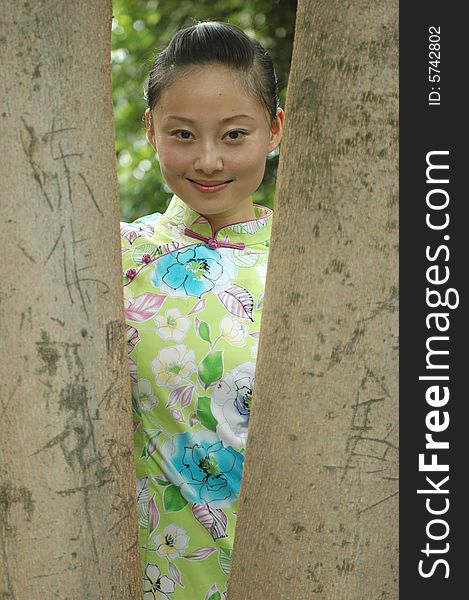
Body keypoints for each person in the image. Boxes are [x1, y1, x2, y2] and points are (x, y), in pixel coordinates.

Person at [120, 21, 284, 599]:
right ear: (151, 131)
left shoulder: (310, 267)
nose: (209, 161)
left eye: (235, 134)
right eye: (183, 135)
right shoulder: (110, 255)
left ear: (274, 129)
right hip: (146, 578)